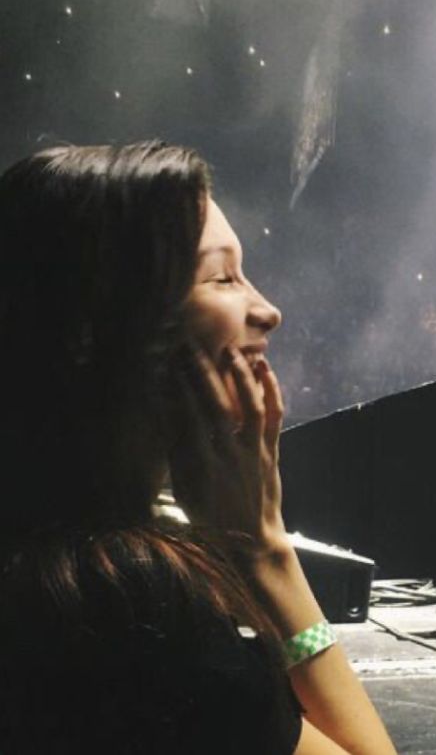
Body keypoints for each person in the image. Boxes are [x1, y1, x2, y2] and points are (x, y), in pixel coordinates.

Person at [0, 141, 397, 755]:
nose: (268, 311)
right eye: (222, 277)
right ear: (93, 330)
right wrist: (265, 551)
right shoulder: (129, 602)